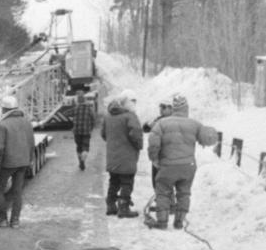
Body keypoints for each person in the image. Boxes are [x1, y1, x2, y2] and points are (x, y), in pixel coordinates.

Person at [146, 94, 217, 229]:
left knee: (163, 191)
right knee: (184, 192)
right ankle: (179, 222)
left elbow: (153, 143)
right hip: (187, 166)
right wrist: (213, 134)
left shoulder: (162, 123)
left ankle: (162, 222)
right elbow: (208, 138)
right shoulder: (195, 124)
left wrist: (154, 159)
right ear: (186, 108)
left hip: (167, 166)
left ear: (173, 108)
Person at [0, 95, 35, 228]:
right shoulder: (26, 121)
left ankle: (2, 219)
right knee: (17, 191)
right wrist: (29, 160)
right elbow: (31, 143)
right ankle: (15, 221)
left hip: (8, 164)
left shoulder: (2, 125)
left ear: (4, 109)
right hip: (23, 162)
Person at [101, 89, 143, 218]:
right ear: (127, 102)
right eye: (133, 101)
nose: (134, 104)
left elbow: (103, 135)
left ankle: (111, 206)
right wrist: (139, 146)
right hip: (127, 157)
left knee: (114, 181)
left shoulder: (108, 116)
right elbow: (136, 134)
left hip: (112, 157)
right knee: (127, 182)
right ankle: (123, 207)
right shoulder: (130, 116)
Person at [72, 90, 96, 170]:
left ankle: (80, 162)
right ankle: (83, 160)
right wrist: (91, 128)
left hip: (77, 132)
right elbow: (93, 119)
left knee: (79, 147)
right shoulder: (89, 109)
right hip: (86, 131)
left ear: (78, 101)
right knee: (85, 147)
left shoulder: (75, 109)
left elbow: (73, 119)